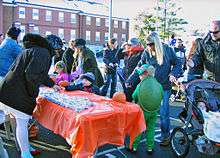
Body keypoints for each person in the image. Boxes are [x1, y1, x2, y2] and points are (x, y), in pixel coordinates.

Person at [0, 33, 61, 158]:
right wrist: (32, 94)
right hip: (18, 93)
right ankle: (25, 154)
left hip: (8, 89)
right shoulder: (43, 53)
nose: (57, 52)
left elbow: (38, 73)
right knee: (22, 123)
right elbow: (32, 75)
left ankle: (25, 148)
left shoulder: (32, 49)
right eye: (57, 49)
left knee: (17, 122)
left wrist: (51, 84)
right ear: (52, 47)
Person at [126, 32, 181, 146]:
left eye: (151, 44)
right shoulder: (147, 52)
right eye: (147, 44)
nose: (149, 46)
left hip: (164, 87)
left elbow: (178, 63)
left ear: (157, 43)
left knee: (163, 112)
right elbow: (139, 67)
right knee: (146, 110)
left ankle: (165, 136)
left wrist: (173, 74)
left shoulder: (167, 50)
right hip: (150, 86)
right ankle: (143, 131)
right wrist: (131, 79)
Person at [132, 64, 163, 154]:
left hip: (142, 111)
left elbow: (134, 96)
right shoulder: (158, 84)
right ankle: (150, 148)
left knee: (139, 128)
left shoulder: (140, 85)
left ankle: (133, 147)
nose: (139, 76)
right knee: (151, 129)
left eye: (141, 74)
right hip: (154, 111)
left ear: (145, 74)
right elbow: (161, 96)